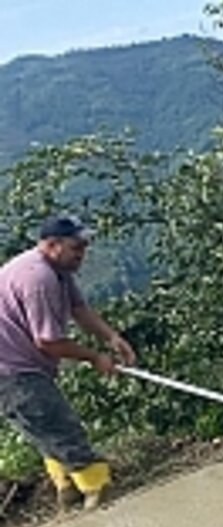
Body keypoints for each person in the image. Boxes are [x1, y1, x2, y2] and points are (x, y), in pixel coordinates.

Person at [0, 216, 136, 511]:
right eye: (77, 247)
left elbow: (78, 308)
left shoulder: (58, 270)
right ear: (52, 245)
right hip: (10, 371)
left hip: (20, 365)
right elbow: (48, 341)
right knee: (56, 426)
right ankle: (97, 491)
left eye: (84, 247)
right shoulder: (39, 279)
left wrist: (111, 338)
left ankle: (69, 493)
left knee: (45, 427)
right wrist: (95, 357)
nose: (82, 254)